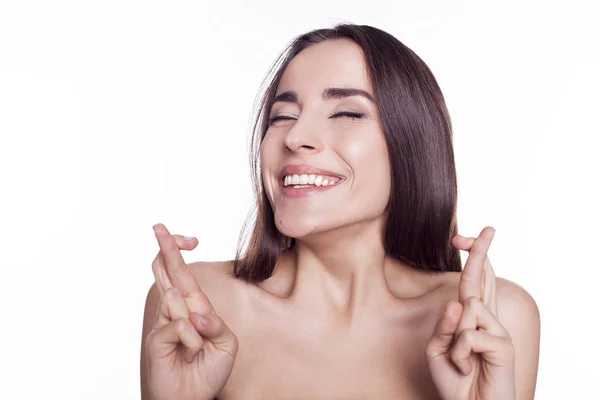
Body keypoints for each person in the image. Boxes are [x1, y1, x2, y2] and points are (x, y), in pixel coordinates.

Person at [140, 23, 540, 399]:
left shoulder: (494, 318)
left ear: (411, 142)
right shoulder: (197, 307)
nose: (295, 137)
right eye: (282, 117)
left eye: (346, 113)